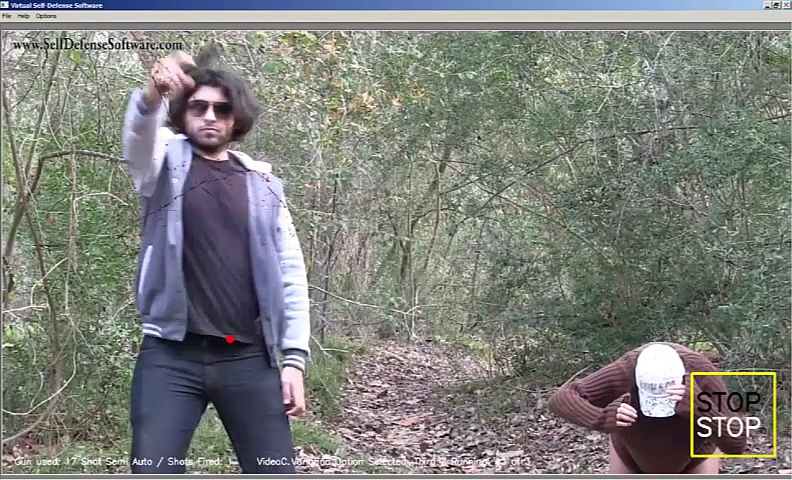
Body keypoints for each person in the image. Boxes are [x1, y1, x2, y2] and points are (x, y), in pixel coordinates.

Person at [121, 51, 311, 474]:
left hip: (248, 357)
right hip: (171, 355)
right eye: (199, 106)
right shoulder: (163, 166)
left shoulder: (263, 185)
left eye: (222, 109)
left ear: (235, 118)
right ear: (182, 112)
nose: (210, 116)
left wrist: (294, 359)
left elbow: (290, 273)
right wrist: (153, 95)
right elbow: (138, 139)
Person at [547, 342, 748, 474]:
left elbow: (737, 444)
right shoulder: (625, 369)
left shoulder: (702, 373)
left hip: (694, 458)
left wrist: (700, 407)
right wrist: (602, 417)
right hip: (630, 454)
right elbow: (561, 398)